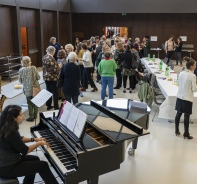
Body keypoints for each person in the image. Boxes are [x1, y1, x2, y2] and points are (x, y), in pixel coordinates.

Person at [0, 105, 58, 184]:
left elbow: (19, 139)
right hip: (8, 167)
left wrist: (34, 139)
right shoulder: (12, 132)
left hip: (8, 161)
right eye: (20, 115)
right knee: (43, 165)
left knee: (35, 159)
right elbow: (25, 150)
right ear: (13, 118)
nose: (23, 117)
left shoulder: (5, 126)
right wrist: (39, 143)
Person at [175, 59, 197, 139]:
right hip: (187, 98)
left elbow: (178, 83)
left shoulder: (181, 73)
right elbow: (194, 89)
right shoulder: (193, 76)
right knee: (186, 116)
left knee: (178, 114)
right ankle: (186, 133)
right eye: (194, 65)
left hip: (180, 96)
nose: (195, 66)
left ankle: (176, 130)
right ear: (191, 67)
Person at [19, 56, 40, 122]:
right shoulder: (33, 68)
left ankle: (31, 116)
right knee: (36, 101)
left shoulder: (21, 70)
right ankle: (35, 115)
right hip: (35, 87)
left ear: (22, 62)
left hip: (27, 88)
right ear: (29, 61)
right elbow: (38, 77)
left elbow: (20, 80)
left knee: (29, 102)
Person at [43, 46, 60, 110]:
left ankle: (48, 105)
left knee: (48, 91)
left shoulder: (44, 56)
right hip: (52, 78)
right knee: (55, 92)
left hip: (46, 77)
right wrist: (59, 67)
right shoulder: (51, 58)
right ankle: (56, 106)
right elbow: (54, 69)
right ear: (53, 51)